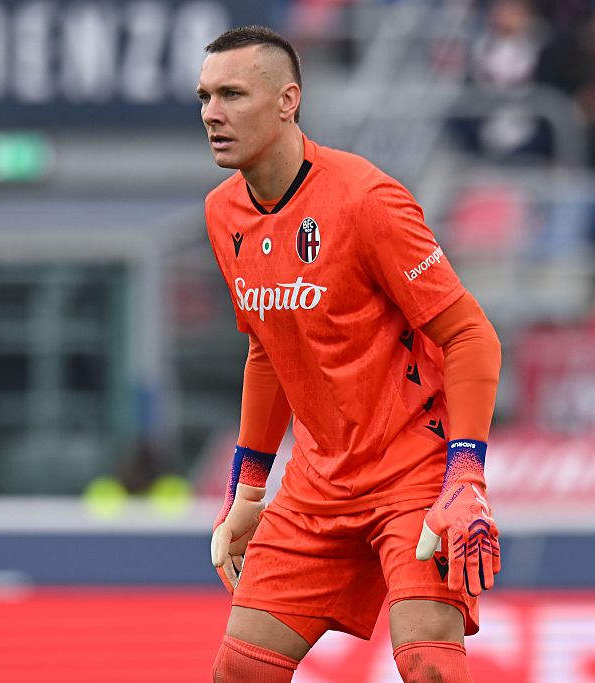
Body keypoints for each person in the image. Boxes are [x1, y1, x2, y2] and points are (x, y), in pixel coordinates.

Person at [198, 25, 502, 682]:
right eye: (204, 97)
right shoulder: (222, 213)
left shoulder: (367, 200)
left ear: (287, 102)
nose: (212, 115)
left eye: (231, 94)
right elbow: (268, 348)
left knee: (429, 666)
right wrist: (250, 486)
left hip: (412, 467)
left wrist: (466, 476)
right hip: (318, 481)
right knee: (239, 671)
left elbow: (472, 333)